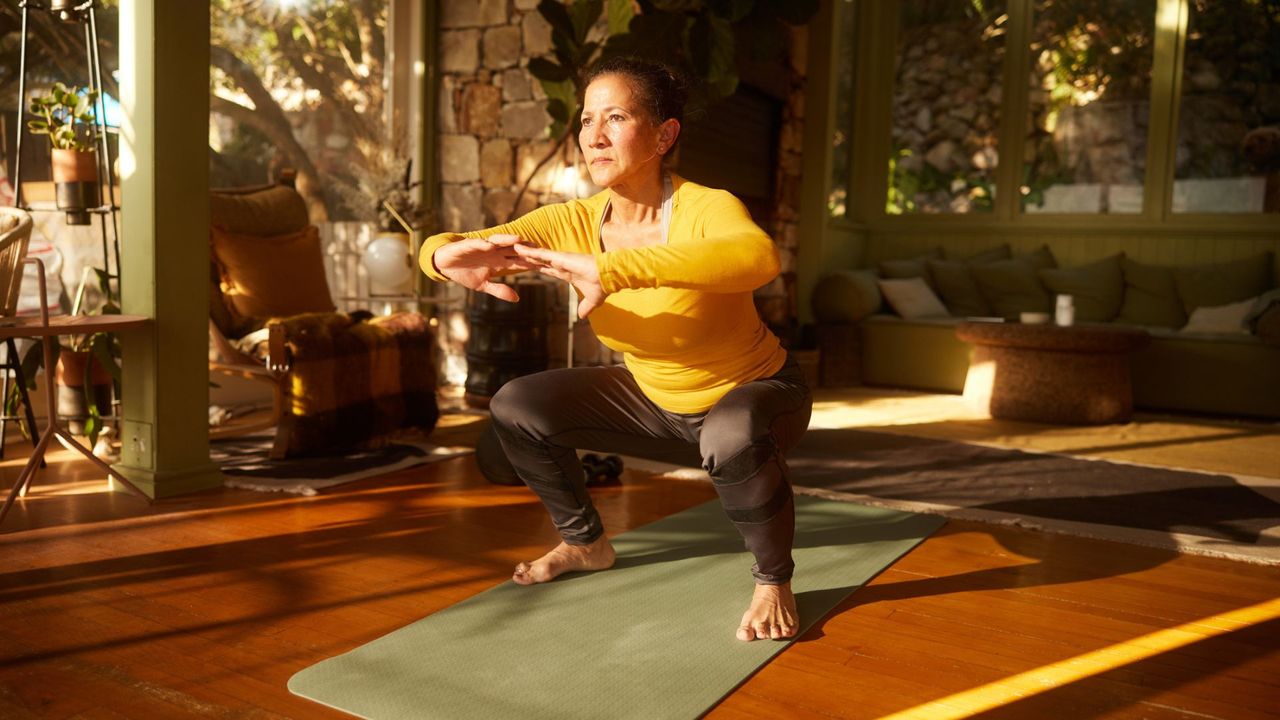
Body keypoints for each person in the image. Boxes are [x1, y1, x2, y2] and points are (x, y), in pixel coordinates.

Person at [419, 57, 812, 642]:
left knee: (731, 431)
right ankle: (586, 545)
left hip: (757, 394)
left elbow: (757, 258)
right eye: (585, 120)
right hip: (655, 399)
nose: (593, 136)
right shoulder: (571, 222)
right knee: (517, 404)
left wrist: (614, 269)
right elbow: (464, 245)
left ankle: (773, 580)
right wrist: (439, 256)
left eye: (617, 117)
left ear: (664, 134)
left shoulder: (707, 207)